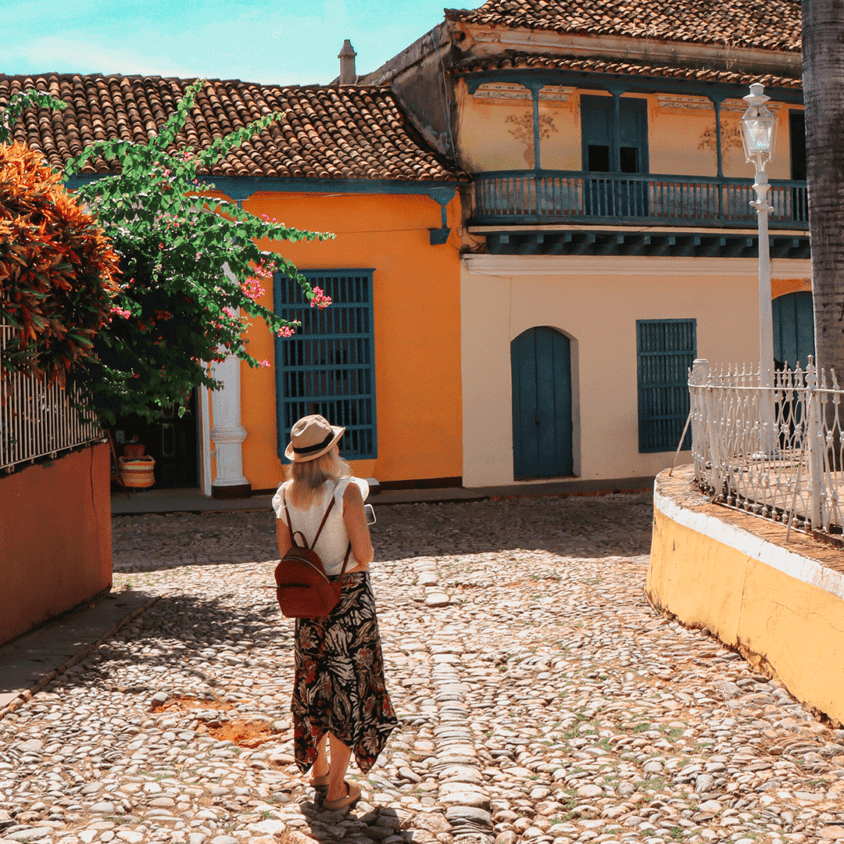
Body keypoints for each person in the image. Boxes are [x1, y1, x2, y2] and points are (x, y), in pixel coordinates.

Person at [272, 414, 398, 812]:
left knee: (315, 684)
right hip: (348, 603)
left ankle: (321, 771)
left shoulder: (284, 496)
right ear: (330, 451)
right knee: (349, 688)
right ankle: (338, 790)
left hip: (309, 603)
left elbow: (285, 555)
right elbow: (364, 555)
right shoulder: (348, 492)